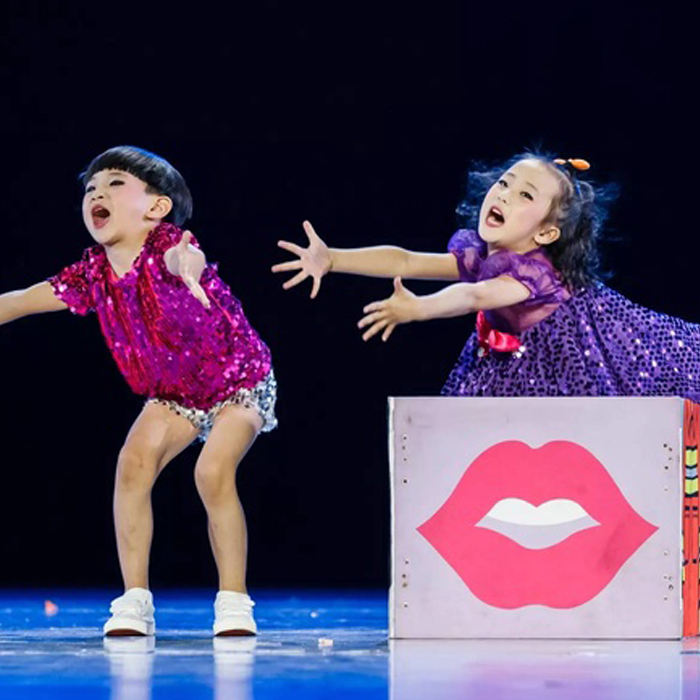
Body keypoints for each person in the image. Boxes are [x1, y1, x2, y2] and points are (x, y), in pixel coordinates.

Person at [0, 146, 276, 637]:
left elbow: (184, 254)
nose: (97, 195)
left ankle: (234, 601)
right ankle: (134, 601)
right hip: (175, 394)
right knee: (132, 464)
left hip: (239, 381)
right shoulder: (91, 274)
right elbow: (21, 301)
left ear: (156, 207)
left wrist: (189, 267)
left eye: (114, 185)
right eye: (90, 189)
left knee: (212, 470)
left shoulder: (167, 245)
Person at [273, 152, 700, 401]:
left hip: (587, 345)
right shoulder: (483, 254)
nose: (504, 195)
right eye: (504, 184)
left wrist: (419, 307)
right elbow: (405, 261)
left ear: (546, 233)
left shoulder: (533, 273)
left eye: (525, 196)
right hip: (519, 359)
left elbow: (474, 297)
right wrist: (333, 259)